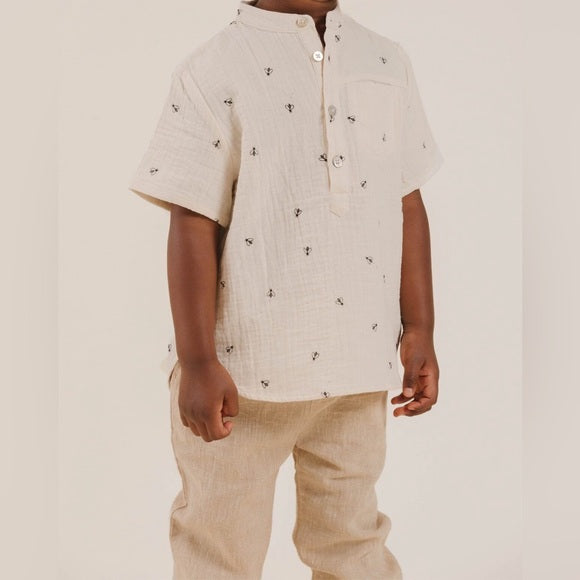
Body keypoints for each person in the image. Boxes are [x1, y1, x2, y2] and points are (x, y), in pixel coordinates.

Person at [127, 0, 444, 577]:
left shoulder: (386, 61)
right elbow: (192, 219)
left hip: (356, 371)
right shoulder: (213, 68)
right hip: (239, 381)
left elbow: (407, 201)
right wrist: (197, 361)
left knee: (353, 544)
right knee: (218, 547)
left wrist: (419, 327)